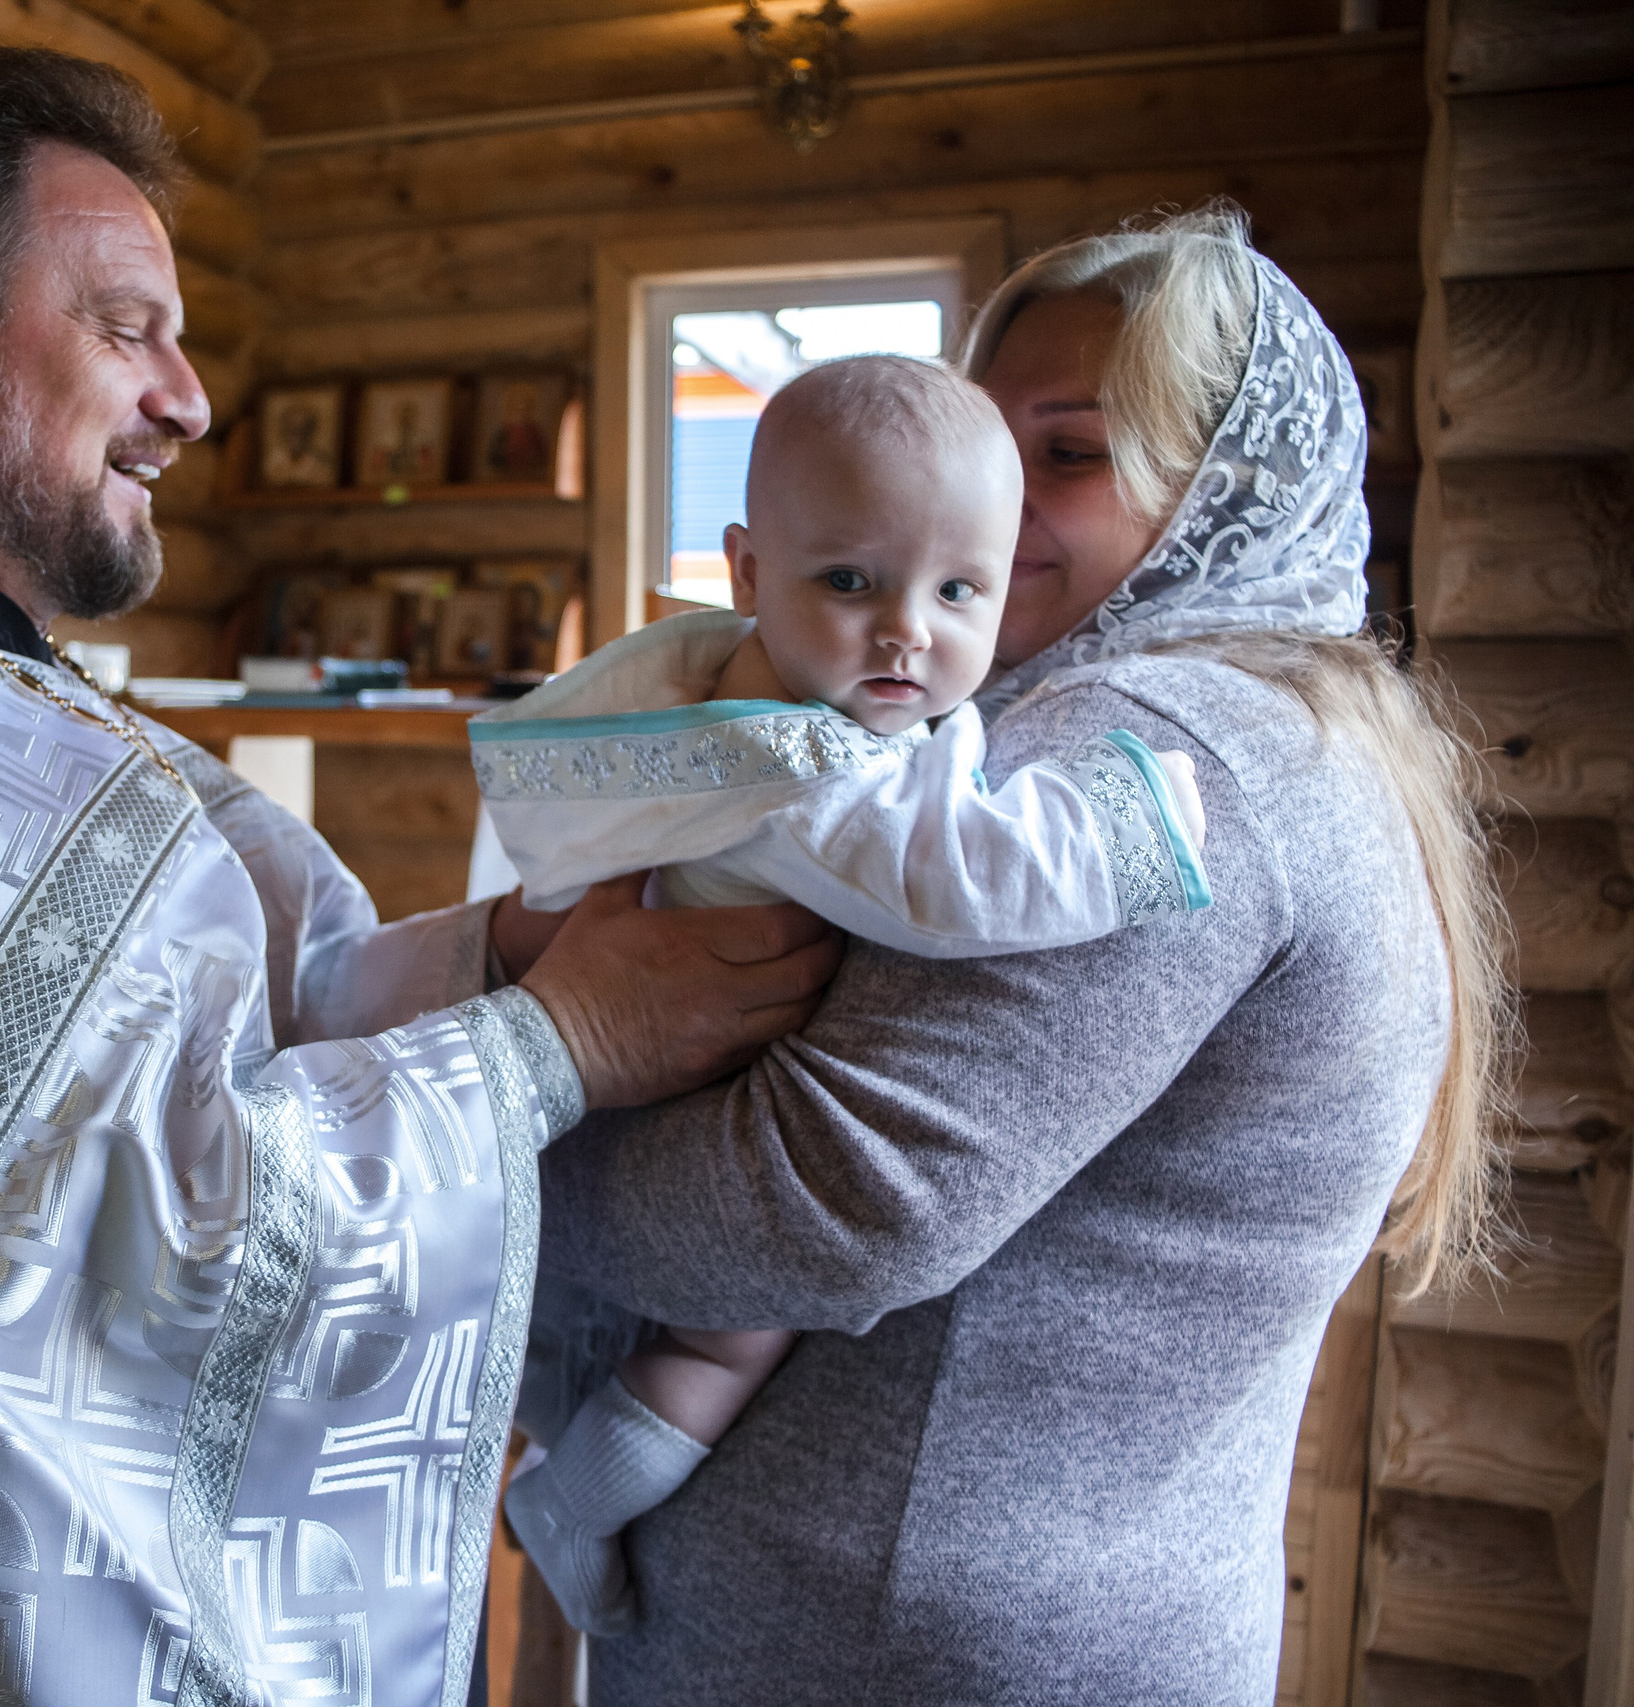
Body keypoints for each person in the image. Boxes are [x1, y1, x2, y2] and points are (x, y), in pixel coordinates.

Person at [0, 49, 835, 1707]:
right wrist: (552, 1048)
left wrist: (512, 953)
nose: (192, 396)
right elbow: (113, 1244)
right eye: (125, 326)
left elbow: (215, 1026)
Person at [514, 207, 1509, 1703]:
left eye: (1074, 452)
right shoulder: (1277, 719)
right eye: (996, 445)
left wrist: (488, 1121)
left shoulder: (1146, 753)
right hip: (989, 1603)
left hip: (897, 1634)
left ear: (1217, 486)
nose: (1000, 505)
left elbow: (835, 1199)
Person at [477, 354, 1210, 1635]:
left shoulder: (746, 687)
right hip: (681, 1099)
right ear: (748, 571)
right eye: (850, 582)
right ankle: (568, 1506)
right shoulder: (802, 773)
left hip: (638, 1086)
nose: (906, 631)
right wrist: (1136, 820)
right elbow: (963, 879)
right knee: (721, 1348)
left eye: (957, 589)